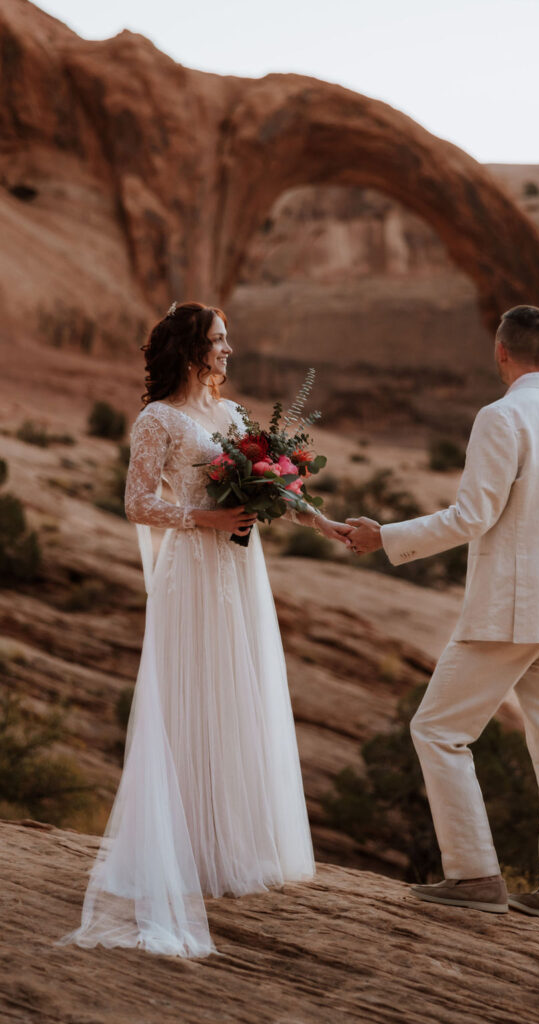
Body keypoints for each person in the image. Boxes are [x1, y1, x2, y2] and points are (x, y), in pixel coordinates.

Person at [59, 301, 351, 956]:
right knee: (189, 697)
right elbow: (136, 501)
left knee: (235, 699)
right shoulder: (156, 420)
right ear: (192, 349)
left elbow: (274, 485)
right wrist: (206, 521)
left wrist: (324, 523)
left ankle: (231, 851)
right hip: (191, 573)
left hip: (241, 577)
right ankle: (178, 854)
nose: (229, 349)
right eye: (219, 340)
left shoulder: (235, 416)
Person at [346, 305, 539, 927]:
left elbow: (472, 516)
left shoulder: (502, 415)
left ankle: (475, 873)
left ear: (499, 351)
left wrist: (387, 537)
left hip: (511, 612)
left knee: (436, 730)